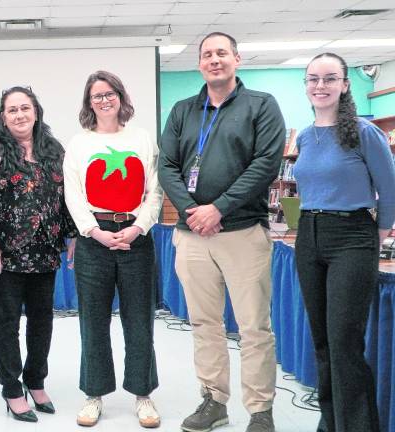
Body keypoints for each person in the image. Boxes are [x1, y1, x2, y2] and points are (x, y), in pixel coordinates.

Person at [158, 32, 285, 432]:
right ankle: (214, 401)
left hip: (242, 233)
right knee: (204, 324)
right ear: (199, 63)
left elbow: (265, 164)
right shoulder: (182, 110)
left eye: (222, 53)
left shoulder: (260, 106)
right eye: (207, 54)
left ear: (237, 59)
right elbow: (167, 167)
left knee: (253, 326)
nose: (215, 60)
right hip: (193, 234)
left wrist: (220, 208)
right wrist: (193, 210)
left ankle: (260, 410)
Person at [294, 52, 395, 432]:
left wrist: (376, 234)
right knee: (322, 342)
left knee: (344, 344)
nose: (320, 86)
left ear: (344, 84)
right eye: (313, 79)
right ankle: (330, 423)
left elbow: (389, 189)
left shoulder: (365, 133)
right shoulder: (305, 135)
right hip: (309, 234)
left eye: (329, 78)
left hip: (352, 238)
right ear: (306, 85)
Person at [63, 70, 164, 428]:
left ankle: (143, 394)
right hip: (95, 239)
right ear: (89, 103)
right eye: (97, 96)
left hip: (136, 237)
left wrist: (138, 228)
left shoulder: (141, 138)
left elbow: (155, 191)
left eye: (109, 94)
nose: (104, 100)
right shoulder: (78, 144)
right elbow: (72, 195)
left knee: (140, 320)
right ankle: (94, 395)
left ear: (120, 97)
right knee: (93, 321)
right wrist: (94, 231)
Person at [0, 86, 77, 423]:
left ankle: (36, 380)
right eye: (12, 110)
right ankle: (12, 388)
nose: (19, 115)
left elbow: (68, 193)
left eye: (25, 108)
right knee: (6, 322)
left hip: (45, 250)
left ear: (36, 112)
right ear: (3, 116)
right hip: (5, 253)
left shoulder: (52, 147)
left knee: (42, 319)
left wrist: (72, 234)